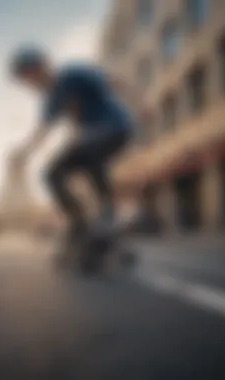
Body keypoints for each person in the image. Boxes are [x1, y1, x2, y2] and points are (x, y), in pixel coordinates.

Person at [10, 44, 152, 245]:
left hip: (116, 128)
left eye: (31, 77)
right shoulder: (51, 100)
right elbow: (43, 130)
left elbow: (116, 81)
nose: (32, 84)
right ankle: (79, 224)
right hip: (91, 138)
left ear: (42, 67)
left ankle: (108, 212)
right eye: (27, 81)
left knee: (89, 153)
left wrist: (141, 104)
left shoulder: (73, 75)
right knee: (51, 173)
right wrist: (23, 154)